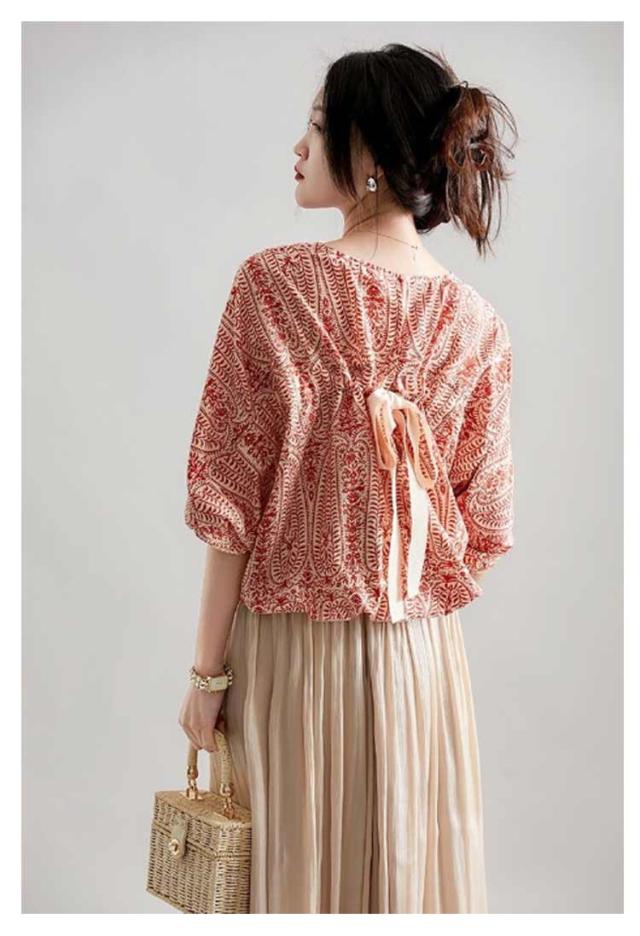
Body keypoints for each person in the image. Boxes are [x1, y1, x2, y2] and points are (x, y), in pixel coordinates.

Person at [178, 42, 518, 913]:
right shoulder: (478, 324)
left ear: (367, 151)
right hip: (423, 662)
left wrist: (207, 678)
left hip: (292, 654)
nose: (299, 146)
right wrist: (395, 592)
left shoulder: (273, 286)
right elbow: (484, 529)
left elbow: (230, 508)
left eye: (319, 126)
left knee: (296, 883)